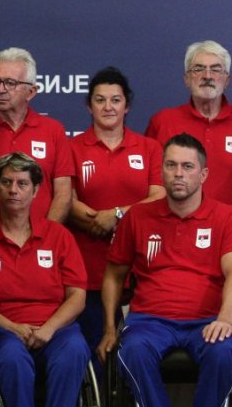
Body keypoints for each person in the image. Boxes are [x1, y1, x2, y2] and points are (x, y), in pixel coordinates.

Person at [97, 133, 232, 407]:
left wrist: (226, 319)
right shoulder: (137, 216)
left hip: (207, 320)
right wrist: (110, 328)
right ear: (162, 171)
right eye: (171, 165)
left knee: (225, 352)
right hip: (149, 322)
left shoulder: (225, 216)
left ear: (203, 174)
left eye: (187, 166)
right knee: (132, 351)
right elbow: (113, 275)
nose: (178, 174)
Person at [0, 152, 89, 407]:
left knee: (73, 350)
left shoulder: (58, 235)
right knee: (12, 357)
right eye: (6, 182)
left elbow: (78, 296)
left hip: (54, 330)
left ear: (36, 190)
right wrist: (11, 326)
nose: (13, 190)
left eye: (22, 183)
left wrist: (49, 328)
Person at [67, 67, 165, 371]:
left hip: (142, 268)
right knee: (94, 358)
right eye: (100, 100)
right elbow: (67, 200)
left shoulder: (149, 147)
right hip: (89, 268)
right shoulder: (71, 147)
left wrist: (117, 215)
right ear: (89, 106)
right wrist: (99, 221)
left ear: (127, 105)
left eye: (115, 100)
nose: (108, 107)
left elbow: (159, 196)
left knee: (137, 356)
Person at [0, 47, 73, 222]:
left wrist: (45, 234)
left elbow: (63, 194)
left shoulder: (53, 130)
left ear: (31, 92)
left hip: (42, 235)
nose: (1, 89)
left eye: (10, 83)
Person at [146, 40, 232, 204]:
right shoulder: (163, 121)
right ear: (186, 79)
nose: (207, 76)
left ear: (227, 80)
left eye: (215, 69)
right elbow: (151, 183)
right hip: (174, 219)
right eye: (198, 69)